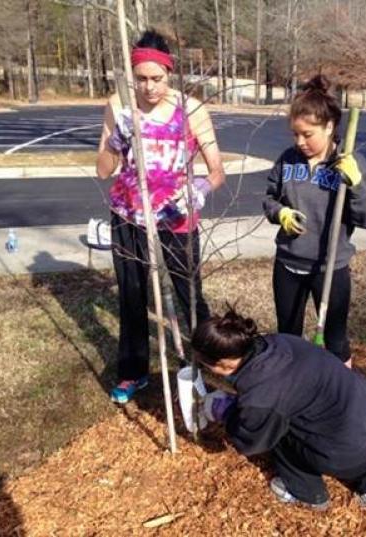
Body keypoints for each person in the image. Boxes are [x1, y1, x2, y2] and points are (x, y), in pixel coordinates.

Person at [95, 29, 225, 404]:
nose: (149, 87)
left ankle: (211, 361)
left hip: (176, 218)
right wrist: (115, 143)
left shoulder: (193, 110)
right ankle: (133, 372)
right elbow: (103, 170)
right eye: (141, 79)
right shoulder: (119, 106)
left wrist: (199, 189)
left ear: (170, 74)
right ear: (131, 75)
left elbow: (217, 171)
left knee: (191, 295)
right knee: (132, 297)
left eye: (157, 79)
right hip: (129, 216)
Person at [192, 308, 366, 510]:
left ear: (222, 364)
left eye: (205, 365)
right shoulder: (276, 341)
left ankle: (307, 493)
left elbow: (252, 441)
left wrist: (226, 413)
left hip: (346, 451)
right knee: (307, 416)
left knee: (277, 431)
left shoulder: (262, 395)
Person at [263, 75, 366, 368]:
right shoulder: (288, 160)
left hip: (330, 268)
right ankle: (295, 389)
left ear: (329, 127)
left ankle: (341, 395)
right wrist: (281, 214)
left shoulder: (349, 163)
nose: (300, 142)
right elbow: (269, 199)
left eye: (308, 134)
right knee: (288, 335)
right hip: (289, 264)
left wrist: (356, 185)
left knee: (335, 340)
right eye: (295, 134)